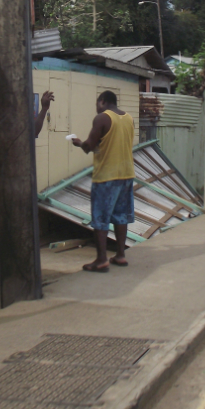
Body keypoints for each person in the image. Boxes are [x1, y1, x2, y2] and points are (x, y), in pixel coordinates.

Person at [0, 90, 54, 294]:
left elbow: (35, 130)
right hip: (11, 186)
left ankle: (0, 279)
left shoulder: (19, 122)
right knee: (13, 234)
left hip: (20, 184)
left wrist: (44, 108)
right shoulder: (6, 123)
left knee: (16, 235)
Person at [71, 90, 135, 273]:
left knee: (101, 217)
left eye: (97, 104)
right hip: (126, 173)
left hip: (107, 176)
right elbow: (113, 142)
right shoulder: (129, 118)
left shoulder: (102, 118)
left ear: (102, 102)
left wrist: (79, 143)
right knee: (121, 215)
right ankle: (120, 255)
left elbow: (89, 146)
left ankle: (101, 260)